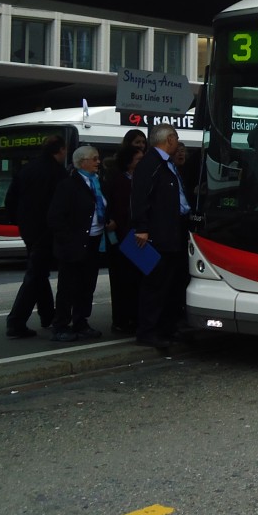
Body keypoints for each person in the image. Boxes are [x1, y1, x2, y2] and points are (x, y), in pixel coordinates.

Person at [131, 123, 189, 350]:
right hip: (158, 235)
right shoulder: (151, 164)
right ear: (170, 139)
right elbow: (140, 197)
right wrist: (141, 227)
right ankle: (148, 330)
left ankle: (167, 327)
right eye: (176, 138)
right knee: (155, 285)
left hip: (174, 232)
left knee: (171, 284)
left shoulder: (166, 164)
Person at [4, 135, 67, 338]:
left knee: (39, 273)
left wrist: (19, 222)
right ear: (59, 150)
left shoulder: (28, 169)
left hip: (29, 229)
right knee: (35, 275)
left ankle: (48, 314)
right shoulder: (57, 173)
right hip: (47, 231)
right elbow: (60, 205)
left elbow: (11, 199)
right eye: (64, 150)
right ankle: (16, 321)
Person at [47, 146, 107, 341]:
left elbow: (100, 207)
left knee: (87, 285)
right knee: (68, 287)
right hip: (73, 244)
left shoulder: (97, 183)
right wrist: (68, 239)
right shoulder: (69, 185)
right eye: (94, 159)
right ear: (82, 162)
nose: (98, 162)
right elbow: (56, 217)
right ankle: (61, 325)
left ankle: (81, 321)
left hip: (94, 241)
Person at [104, 143, 144, 334]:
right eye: (138, 159)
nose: (141, 162)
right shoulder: (120, 181)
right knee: (124, 281)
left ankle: (133, 317)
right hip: (125, 237)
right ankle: (123, 319)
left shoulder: (139, 180)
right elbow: (119, 210)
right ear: (129, 162)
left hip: (134, 236)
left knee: (136, 281)